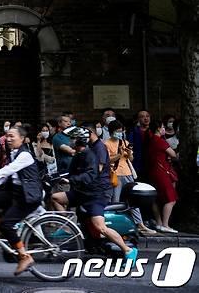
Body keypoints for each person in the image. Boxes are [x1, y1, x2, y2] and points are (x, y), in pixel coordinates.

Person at [51, 127, 138, 264]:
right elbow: (72, 172)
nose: (71, 141)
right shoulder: (79, 155)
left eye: (73, 139)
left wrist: (71, 180)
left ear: (80, 140)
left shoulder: (90, 154)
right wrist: (54, 176)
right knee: (56, 197)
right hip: (83, 192)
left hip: (95, 195)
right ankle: (69, 227)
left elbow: (91, 174)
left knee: (100, 227)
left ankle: (127, 250)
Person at [0, 126, 44, 276]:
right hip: (15, 192)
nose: (9, 139)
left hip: (28, 197)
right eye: (7, 136)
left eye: (12, 136)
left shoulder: (25, 155)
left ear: (22, 139)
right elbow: (5, 177)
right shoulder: (14, 154)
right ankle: (1, 229)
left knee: (8, 224)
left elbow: (8, 170)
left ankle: (24, 256)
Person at [105, 120, 156, 236]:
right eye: (118, 131)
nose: (120, 133)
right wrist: (119, 154)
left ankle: (140, 225)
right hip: (115, 174)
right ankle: (115, 225)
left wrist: (129, 153)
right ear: (112, 132)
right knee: (116, 201)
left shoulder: (124, 142)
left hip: (128, 173)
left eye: (121, 131)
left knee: (134, 199)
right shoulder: (106, 144)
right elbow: (107, 161)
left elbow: (130, 159)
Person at [146, 120, 178, 233]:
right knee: (171, 198)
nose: (164, 129)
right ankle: (165, 224)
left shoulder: (150, 141)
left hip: (153, 171)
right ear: (159, 128)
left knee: (156, 198)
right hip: (162, 172)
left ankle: (159, 223)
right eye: (163, 126)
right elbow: (173, 154)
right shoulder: (159, 141)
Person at [127, 109, 151, 177]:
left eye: (147, 116)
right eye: (142, 116)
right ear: (138, 119)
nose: (146, 118)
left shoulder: (153, 131)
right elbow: (130, 147)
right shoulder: (133, 132)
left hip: (152, 163)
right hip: (138, 164)